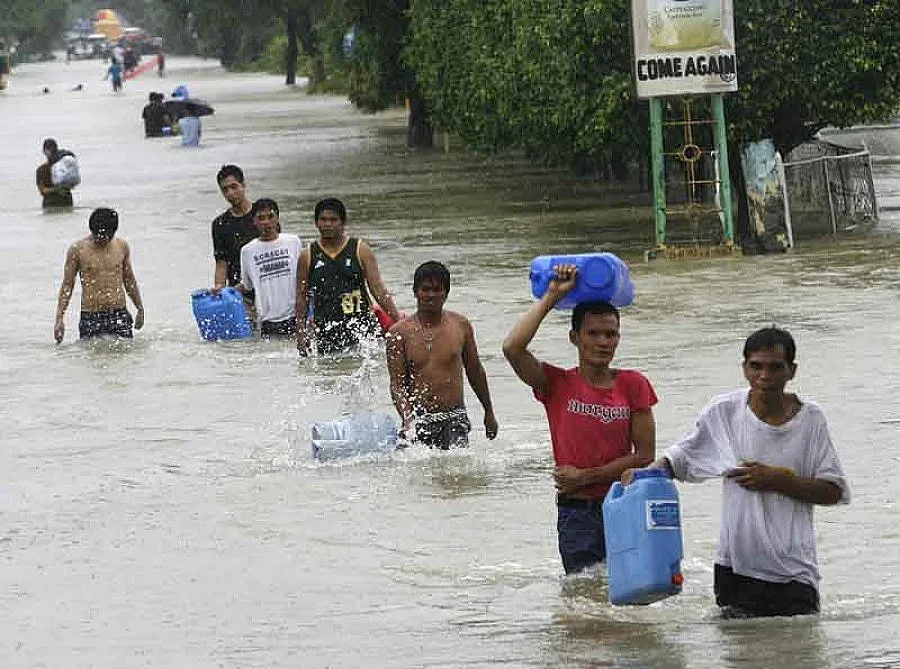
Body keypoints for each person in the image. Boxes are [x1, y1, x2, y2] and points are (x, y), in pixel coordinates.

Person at [622, 326, 849, 618]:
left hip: (794, 573)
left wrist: (780, 480)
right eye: (756, 366)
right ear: (744, 369)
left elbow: (834, 490)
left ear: (792, 371)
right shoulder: (725, 413)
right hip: (734, 570)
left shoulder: (811, 419)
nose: (764, 376)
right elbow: (679, 458)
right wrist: (643, 476)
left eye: (775, 367)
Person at [502, 264, 657, 575]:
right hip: (577, 515)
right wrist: (551, 296)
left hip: (623, 505)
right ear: (575, 337)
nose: (603, 342)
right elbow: (512, 348)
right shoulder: (556, 383)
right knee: (585, 597)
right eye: (593, 334)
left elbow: (644, 455)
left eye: (610, 334)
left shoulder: (633, 384)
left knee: (632, 598)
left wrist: (585, 476)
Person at [386, 261, 498, 449]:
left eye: (437, 290)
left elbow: (475, 371)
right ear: (415, 292)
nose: (431, 295)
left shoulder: (461, 326)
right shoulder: (398, 333)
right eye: (426, 289)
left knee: (457, 474)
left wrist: (489, 411)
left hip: (454, 419)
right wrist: (407, 420)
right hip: (418, 421)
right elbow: (397, 385)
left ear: (446, 293)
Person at [295, 197, 400, 355]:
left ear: (343, 222)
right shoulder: (307, 255)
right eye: (323, 220)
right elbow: (302, 297)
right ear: (316, 223)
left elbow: (378, 290)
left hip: (362, 330)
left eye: (333, 220)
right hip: (326, 333)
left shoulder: (360, 250)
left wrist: (399, 321)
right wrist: (301, 331)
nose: (328, 224)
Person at [54, 208, 145, 343]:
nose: (102, 239)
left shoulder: (121, 247)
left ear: (113, 232)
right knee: (93, 360)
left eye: (107, 236)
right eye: (98, 236)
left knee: (126, 360)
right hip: (91, 316)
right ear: (92, 231)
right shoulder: (78, 250)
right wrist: (59, 318)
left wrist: (139, 308)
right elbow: (67, 285)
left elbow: (129, 280)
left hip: (118, 312)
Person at [229, 198, 302, 338]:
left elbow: (303, 276)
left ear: (277, 219)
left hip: (295, 316)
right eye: (261, 218)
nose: (266, 222)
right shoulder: (247, 251)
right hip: (267, 320)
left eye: (270, 217)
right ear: (254, 221)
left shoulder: (293, 242)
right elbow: (247, 285)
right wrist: (226, 292)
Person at [211, 165, 258, 324]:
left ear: (243, 185)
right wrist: (220, 289)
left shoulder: (263, 214)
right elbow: (221, 262)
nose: (230, 193)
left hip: (268, 288)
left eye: (234, 187)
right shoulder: (220, 224)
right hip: (240, 293)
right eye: (225, 190)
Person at [36, 138, 74, 209]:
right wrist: (57, 189)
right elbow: (42, 190)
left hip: (53, 203)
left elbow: (42, 191)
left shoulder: (63, 166)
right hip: (61, 201)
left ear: (44, 151)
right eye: (50, 150)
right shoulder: (42, 170)